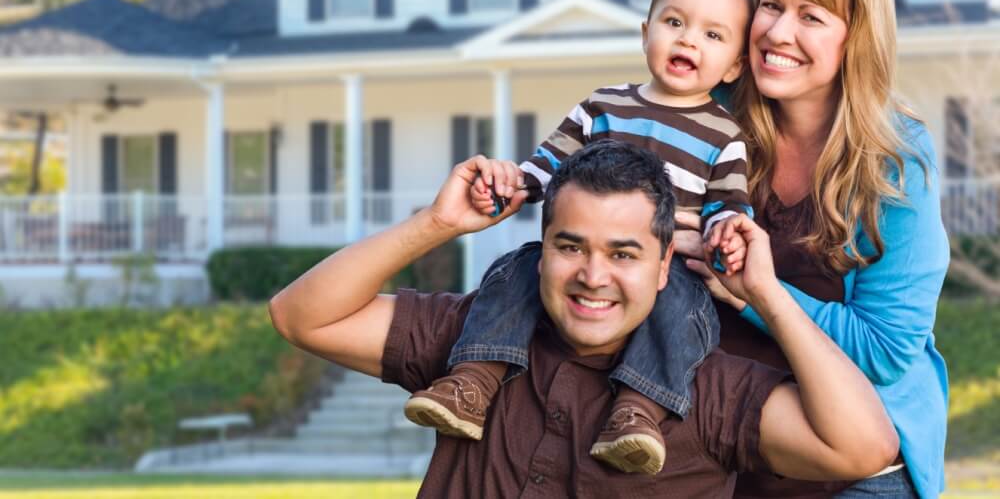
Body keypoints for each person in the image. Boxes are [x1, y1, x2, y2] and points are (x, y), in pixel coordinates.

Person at [268, 140, 900, 498]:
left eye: (623, 254)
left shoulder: (704, 389)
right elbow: (301, 316)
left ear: (662, 269)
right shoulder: (475, 338)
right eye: (571, 247)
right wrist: (437, 225)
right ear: (540, 254)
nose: (593, 276)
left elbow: (863, 447)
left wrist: (765, 294)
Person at [404, 0, 756, 475]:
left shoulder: (724, 134)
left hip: (666, 263)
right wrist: (509, 188)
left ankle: (638, 413)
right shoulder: (603, 106)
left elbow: (729, 205)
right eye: (674, 22)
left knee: (684, 308)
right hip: (583, 251)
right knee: (516, 270)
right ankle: (472, 381)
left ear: (733, 67)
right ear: (646, 33)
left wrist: (727, 233)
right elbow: (548, 166)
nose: (688, 40)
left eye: (712, 34)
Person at [693, 0, 950, 498]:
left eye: (812, 17)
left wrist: (750, 292)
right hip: (720, 438)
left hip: (855, 461)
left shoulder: (895, 159)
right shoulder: (707, 118)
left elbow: (884, 349)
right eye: (771, 5)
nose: (778, 33)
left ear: (854, 39)